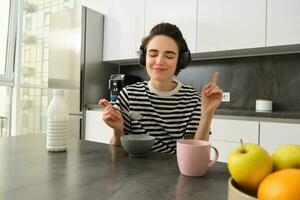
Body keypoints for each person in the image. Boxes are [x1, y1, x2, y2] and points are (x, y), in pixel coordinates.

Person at [99, 22, 223, 154]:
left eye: (169, 56)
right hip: (133, 172)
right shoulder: (129, 95)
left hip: (177, 172)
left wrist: (207, 114)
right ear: (144, 58)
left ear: (179, 61)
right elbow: (118, 153)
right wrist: (117, 130)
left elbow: (195, 155)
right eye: (153, 54)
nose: (159, 61)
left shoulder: (192, 99)